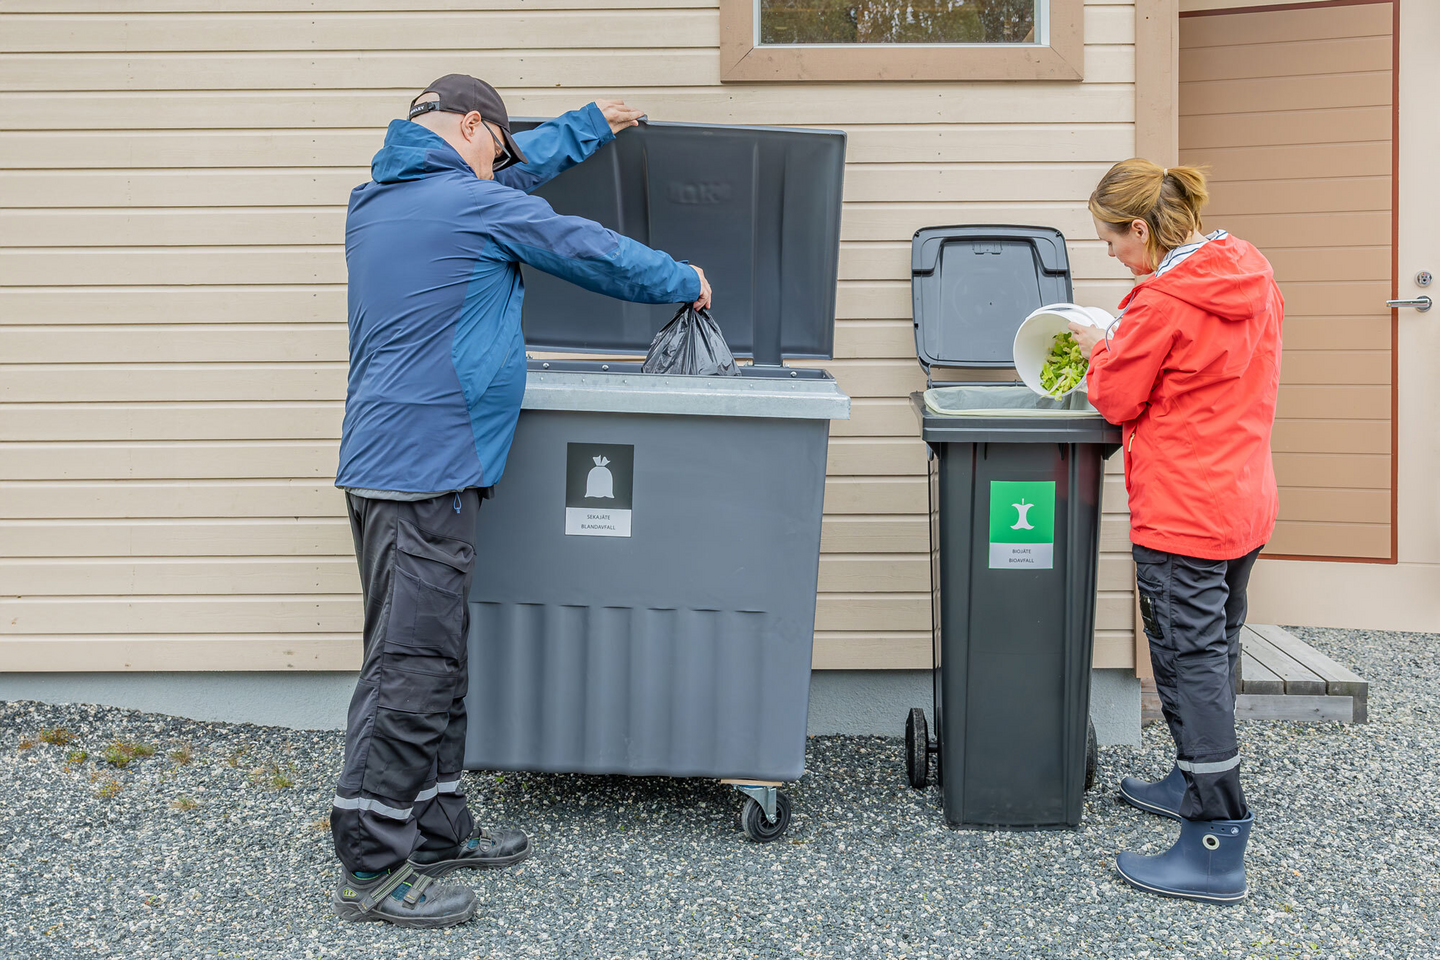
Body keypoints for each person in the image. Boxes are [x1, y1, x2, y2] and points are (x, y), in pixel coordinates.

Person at [329, 74, 712, 927]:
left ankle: (434, 825)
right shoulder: (465, 206)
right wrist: (680, 276)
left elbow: (502, 180)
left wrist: (577, 130)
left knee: (435, 657)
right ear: (471, 127)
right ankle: (372, 865)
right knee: (411, 670)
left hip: (409, 466)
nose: (502, 165)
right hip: (424, 470)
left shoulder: (384, 198)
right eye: (494, 147)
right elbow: (582, 246)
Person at [1068, 158, 1282, 904]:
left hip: (1184, 512)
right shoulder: (1246, 269)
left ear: (1140, 228)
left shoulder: (1162, 301)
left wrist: (1099, 341)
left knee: (1188, 661)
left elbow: (1117, 397)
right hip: (1243, 498)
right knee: (1214, 649)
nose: (1110, 255)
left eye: (1110, 241)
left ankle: (1215, 847)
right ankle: (1185, 780)